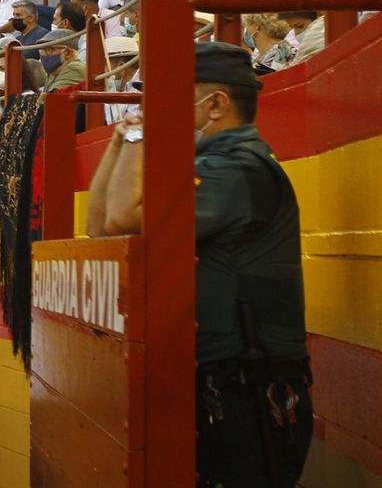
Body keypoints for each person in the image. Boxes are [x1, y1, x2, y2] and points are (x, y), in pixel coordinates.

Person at [86, 42, 312, 487]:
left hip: (247, 383)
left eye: (175, 97)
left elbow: (120, 218)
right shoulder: (209, 164)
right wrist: (119, 141)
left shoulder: (237, 169)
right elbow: (100, 228)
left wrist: (140, 135)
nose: (160, 110)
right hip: (224, 379)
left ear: (216, 104)